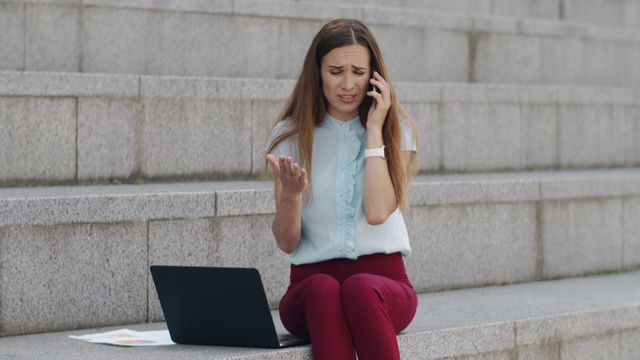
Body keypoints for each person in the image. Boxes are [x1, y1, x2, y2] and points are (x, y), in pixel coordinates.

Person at [265, 18, 420, 360]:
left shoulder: (398, 132)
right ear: (317, 73)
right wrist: (291, 196)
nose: (348, 84)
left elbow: (378, 212)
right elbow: (287, 242)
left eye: (358, 72)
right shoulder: (290, 135)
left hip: (383, 287)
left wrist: (375, 131)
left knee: (359, 288)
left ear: (374, 75)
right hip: (310, 288)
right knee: (324, 288)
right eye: (335, 71)